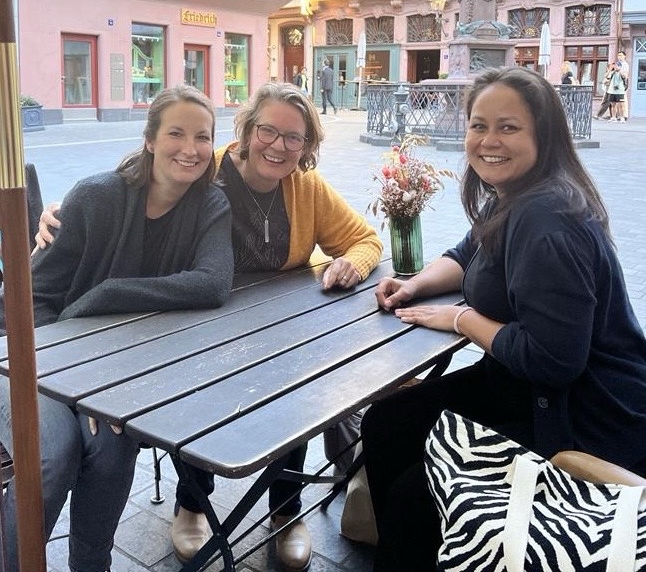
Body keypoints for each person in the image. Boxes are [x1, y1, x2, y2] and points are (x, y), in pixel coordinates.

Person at [36, 81, 383, 571]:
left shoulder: (306, 188)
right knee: (198, 388)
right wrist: (57, 215)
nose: (278, 146)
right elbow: (137, 186)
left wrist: (353, 264)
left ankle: (285, 507)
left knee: (299, 372)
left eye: (294, 138)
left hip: (275, 321)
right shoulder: (207, 170)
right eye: (268, 130)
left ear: (307, 147)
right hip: (194, 323)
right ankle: (193, 503)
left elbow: (365, 240)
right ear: (246, 129)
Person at [361, 66, 646, 571]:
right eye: (478, 125)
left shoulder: (547, 220)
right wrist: (414, 285)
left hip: (583, 411)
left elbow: (555, 362)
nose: (489, 141)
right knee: (388, 422)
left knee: (413, 496)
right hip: (521, 382)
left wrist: (461, 319)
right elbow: (467, 253)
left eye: (508, 127)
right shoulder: (514, 195)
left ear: (544, 135)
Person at [0, 85, 234, 572]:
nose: (189, 149)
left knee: (111, 440)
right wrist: (75, 380)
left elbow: (213, 283)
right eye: (176, 133)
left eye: (202, 137)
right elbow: (28, 302)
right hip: (31, 354)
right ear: (149, 139)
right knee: (53, 451)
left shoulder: (210, 204)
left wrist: (107, 295)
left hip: (119, 364)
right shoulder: (95, 197)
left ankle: (92, 564)